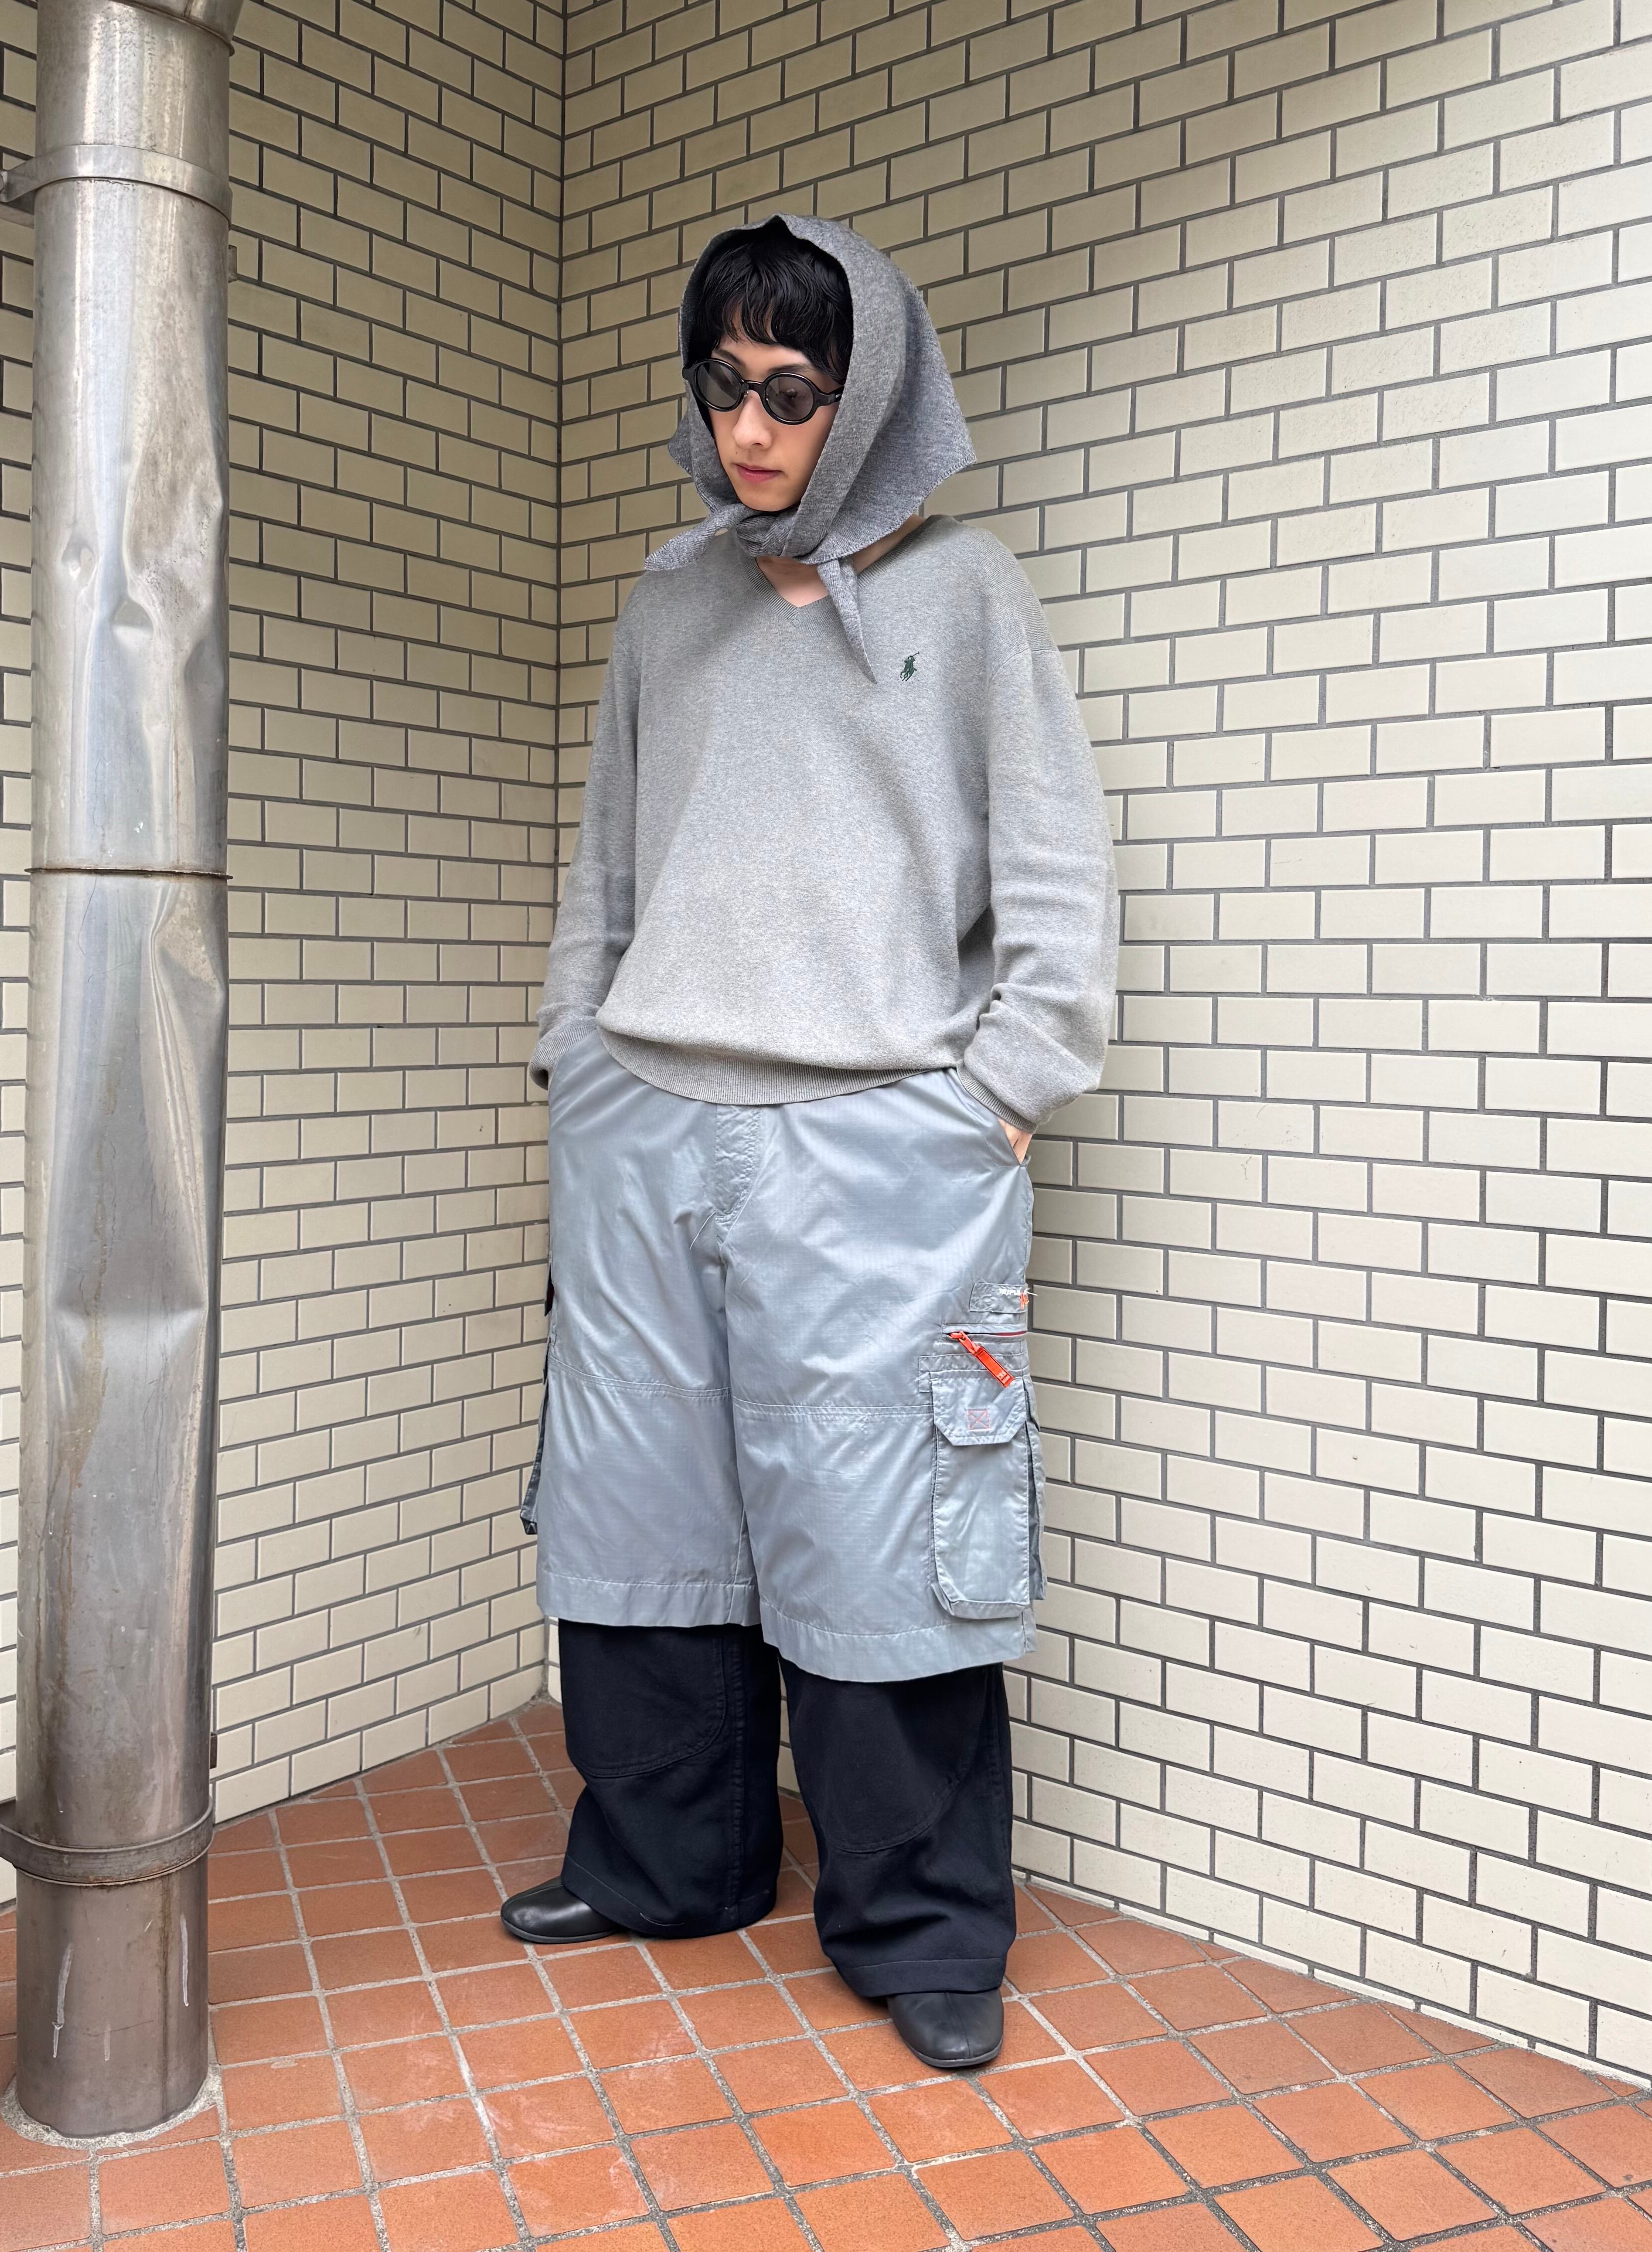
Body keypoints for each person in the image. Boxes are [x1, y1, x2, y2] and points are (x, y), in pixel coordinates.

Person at [503, 213, 1119, 2072]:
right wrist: (572, 1060)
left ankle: (920, 1925)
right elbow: (605, 870)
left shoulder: (969, 595)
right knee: (640, 1520)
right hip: (645, 1128)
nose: (749, 428)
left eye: (791, 390)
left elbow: (1056, 882)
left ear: (874, 397)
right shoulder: (666, 604)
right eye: (723, 387)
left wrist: (994, 1092)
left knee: (883, 1531)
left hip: (877, 1143)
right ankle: (662, 1863)